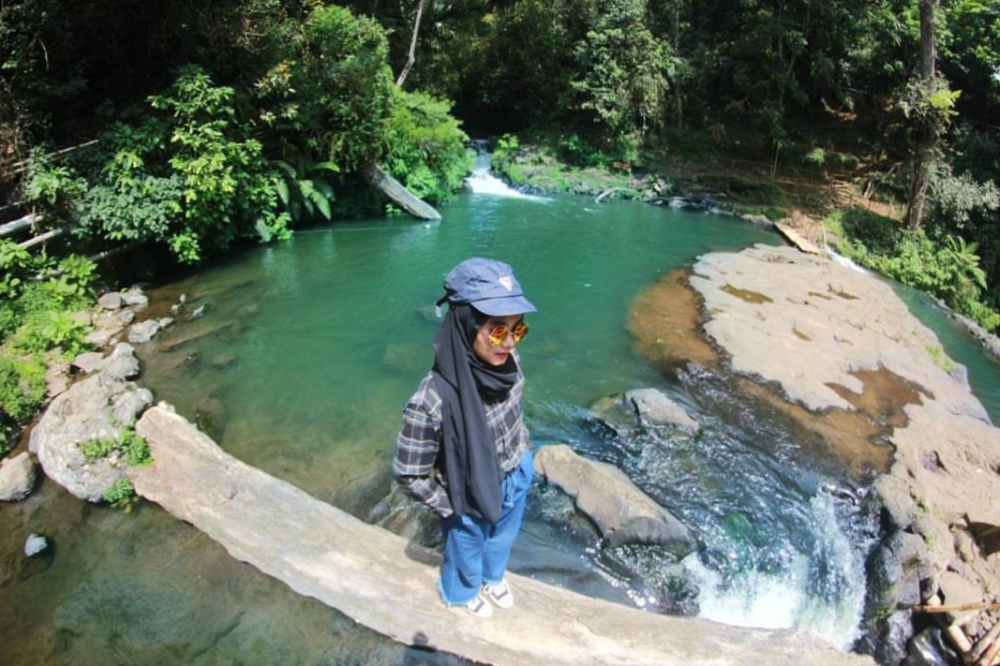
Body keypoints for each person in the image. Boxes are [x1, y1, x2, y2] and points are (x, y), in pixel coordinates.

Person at [393, 257, 536, 618]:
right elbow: (408, 473)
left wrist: (525, 455)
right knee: (465, 548)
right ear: (464, 324)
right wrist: (450, 507)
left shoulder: (509, 366)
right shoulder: (430, 401)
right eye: (498, 330)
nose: (510, 344)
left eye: (518, 330)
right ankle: (461, 593)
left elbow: (515, 416)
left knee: (502, 538)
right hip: (466, 494)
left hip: (515, 472)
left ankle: (492, 577)